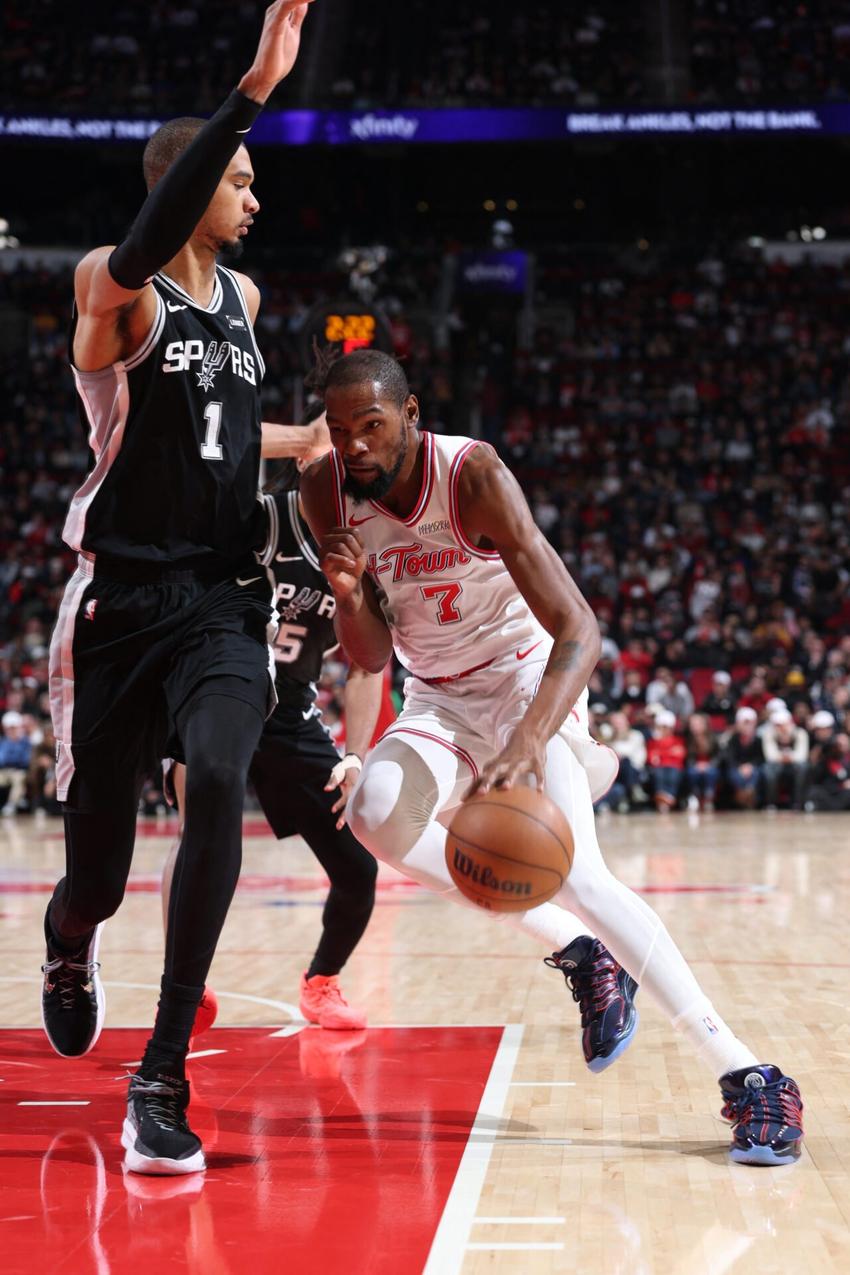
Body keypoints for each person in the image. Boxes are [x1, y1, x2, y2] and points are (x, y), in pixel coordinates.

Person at [300, 347, 804, 1166]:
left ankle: (749, 1072)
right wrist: (350, 595)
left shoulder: (472, 476)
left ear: (411, 415)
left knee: (580, 872)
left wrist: (531, 736)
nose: (353, 445)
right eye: (338, 428)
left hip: (526, 675)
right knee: (375, 813)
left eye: (371, 425)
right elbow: (369, 655)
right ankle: (581, 949)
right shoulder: (324, 489)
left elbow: (580, 628)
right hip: (439, 696)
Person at [41, 1, 316, 1177]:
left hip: (219, 601)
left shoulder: (244, 306)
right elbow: (140, 252)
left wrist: (317, 447)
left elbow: (231, 442)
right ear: (185, 183)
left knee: (216, 778)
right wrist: (250, 91)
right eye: (238, 179)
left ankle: (161, 1073)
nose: (254, 197)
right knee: (96, 877)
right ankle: (67, 941)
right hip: (117, 606)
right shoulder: (116, 291)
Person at [162, 406, 379, 1033]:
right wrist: (300, 439)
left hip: (289, 716)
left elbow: (367, 668)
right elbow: (212, 451)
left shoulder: (369, 548)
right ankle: (184, 986)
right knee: (201, 840)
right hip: (216, 696)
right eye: (335, 445)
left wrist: (356, 756)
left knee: (358, 868)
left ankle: (321, 982)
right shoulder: (261, 517)